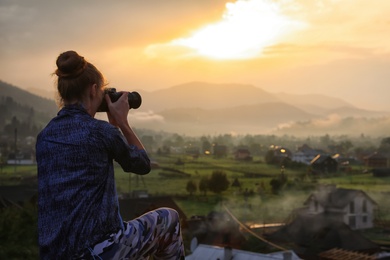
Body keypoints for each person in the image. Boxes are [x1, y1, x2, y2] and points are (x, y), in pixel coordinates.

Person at [36, 50, 185, 259]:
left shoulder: (45, 136)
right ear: (93, 90)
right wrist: (122, 123)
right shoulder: (101, 132)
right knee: (169, 219)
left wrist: (112, 128)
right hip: (96, 252)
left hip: (54, 255)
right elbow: (142, 164)